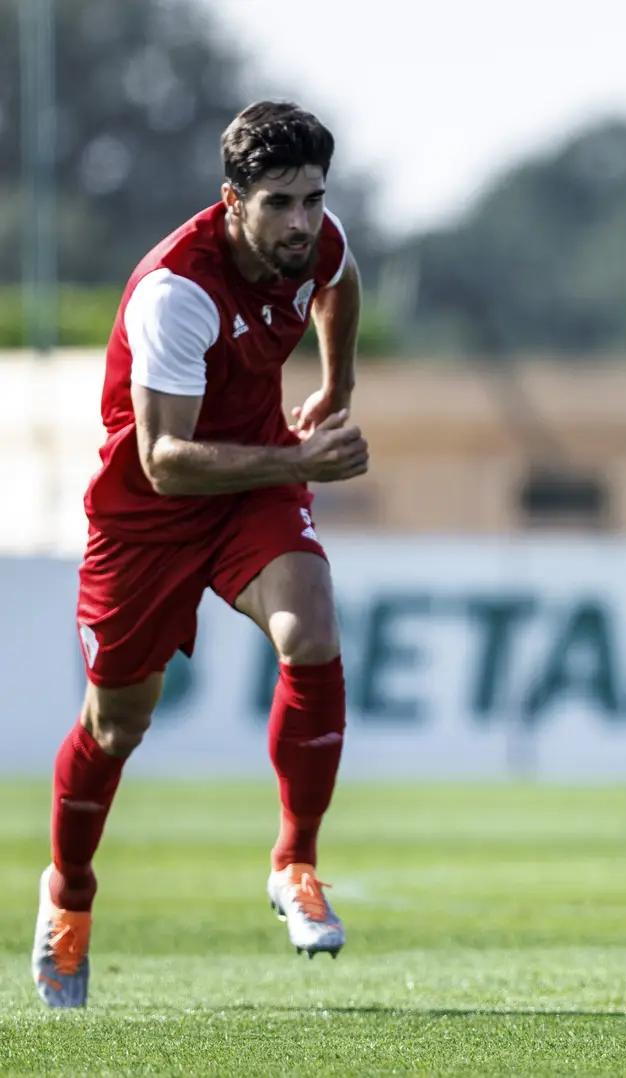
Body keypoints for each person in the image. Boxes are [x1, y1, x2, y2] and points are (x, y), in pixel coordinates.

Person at [32, 101, 368, 1008]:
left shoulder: (315, 240)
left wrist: (335, 381)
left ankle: (295, 861)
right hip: (148, 517)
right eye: (281, 204)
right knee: (118, 727)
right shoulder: (176, 292)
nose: (303, 222)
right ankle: (68, 893)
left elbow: (341, 277)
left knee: (313, 633)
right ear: (231, 202)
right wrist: (303, 458)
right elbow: (165, 461)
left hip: (253, 486)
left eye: (313, 198)